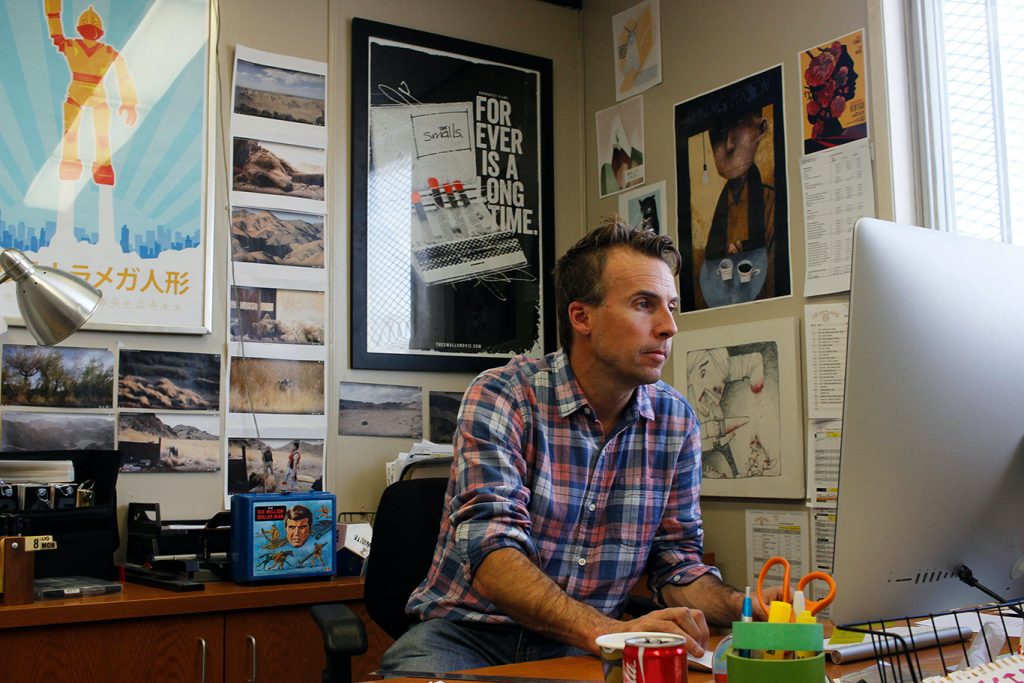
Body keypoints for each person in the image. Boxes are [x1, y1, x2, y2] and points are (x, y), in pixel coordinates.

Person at [382, 218, 776, 674]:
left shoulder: (676, 420)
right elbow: (493, 556)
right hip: (468, 635)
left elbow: (676, 563)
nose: (669, 327)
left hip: (587, 646)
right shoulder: (504, 395)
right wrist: (607, 632)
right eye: (644, 305)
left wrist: (744, 605)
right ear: (581, 317)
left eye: (672, 306)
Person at [44, 1, 138, 186]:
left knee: (94, 136)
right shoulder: (103, 51)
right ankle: (81, 166)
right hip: (89, 93)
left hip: (89, 93)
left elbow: (123, 77)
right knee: (86, 136)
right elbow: (124, 77)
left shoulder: (82, 47)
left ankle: (95, 167)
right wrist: (129, 103)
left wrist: (129, 102)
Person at [703, 105, 776, 264]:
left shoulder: (771, 200)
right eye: (719, 135)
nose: (728, 144)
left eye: (737, 127)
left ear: (761, 129)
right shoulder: (720, 204)